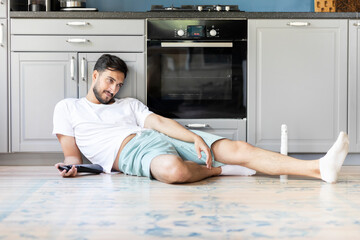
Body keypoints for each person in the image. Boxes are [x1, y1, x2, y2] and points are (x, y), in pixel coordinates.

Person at [53, 54, 349, 184]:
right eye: (109, 81)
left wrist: (194, 136)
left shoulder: (129, 104)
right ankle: (221, 172)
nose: (113, 89)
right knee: (174, 172)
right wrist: (73, 169)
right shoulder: (68, 107)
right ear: (94, 75)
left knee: (239, 149)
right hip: (132, 151)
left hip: (160, 137)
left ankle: (319, 168)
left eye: (118, 84)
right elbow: (73, 155)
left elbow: (160, 123)